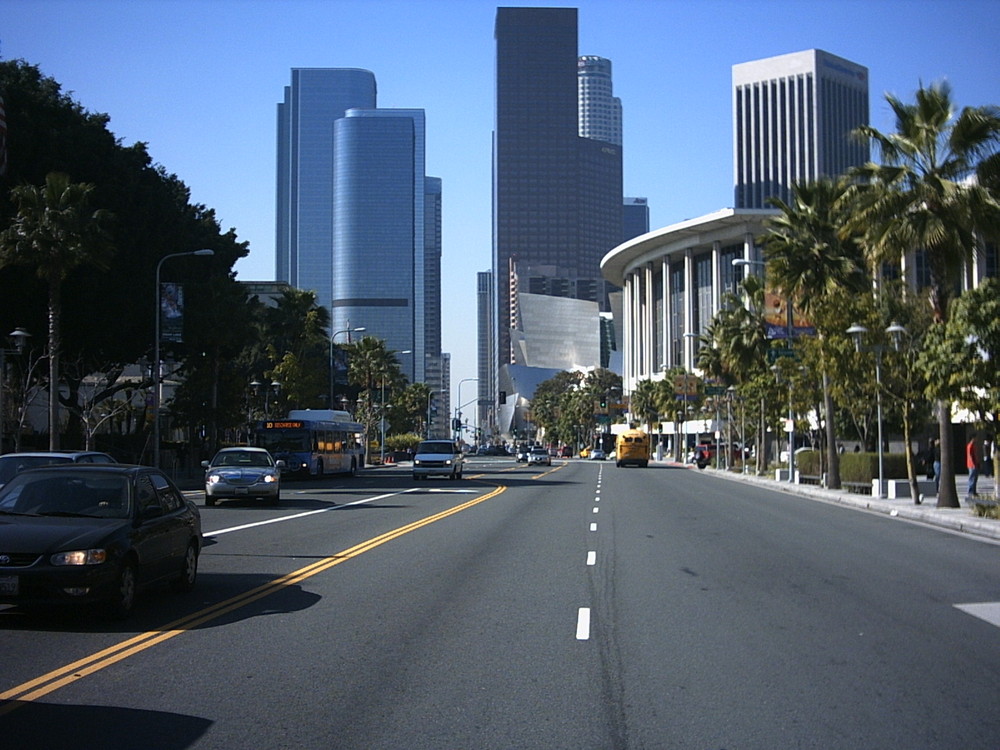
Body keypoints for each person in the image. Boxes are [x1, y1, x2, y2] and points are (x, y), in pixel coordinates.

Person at [967, 434, 982, 500]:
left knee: (975, 478)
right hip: (972, 465)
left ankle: (974, 491)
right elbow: (970, 455)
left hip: (975, 463)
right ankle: (970, 491)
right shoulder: (970, 446)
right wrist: (973, 463)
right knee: (972, 478)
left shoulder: (974, 446)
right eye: (975, 438)